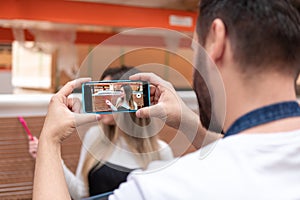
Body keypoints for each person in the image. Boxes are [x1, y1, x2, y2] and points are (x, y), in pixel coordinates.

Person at [33, 0, 300, 199]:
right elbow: (249, 149)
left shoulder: (163, 189)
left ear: (217, 39)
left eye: (196, 47)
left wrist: (49, 140)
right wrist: (187, 122)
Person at [29, 65, 173, 200]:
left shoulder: (161, 152)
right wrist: (50, 155)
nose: (100, 102)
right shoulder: (95, 136)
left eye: (108, 96)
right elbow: (80, 193)